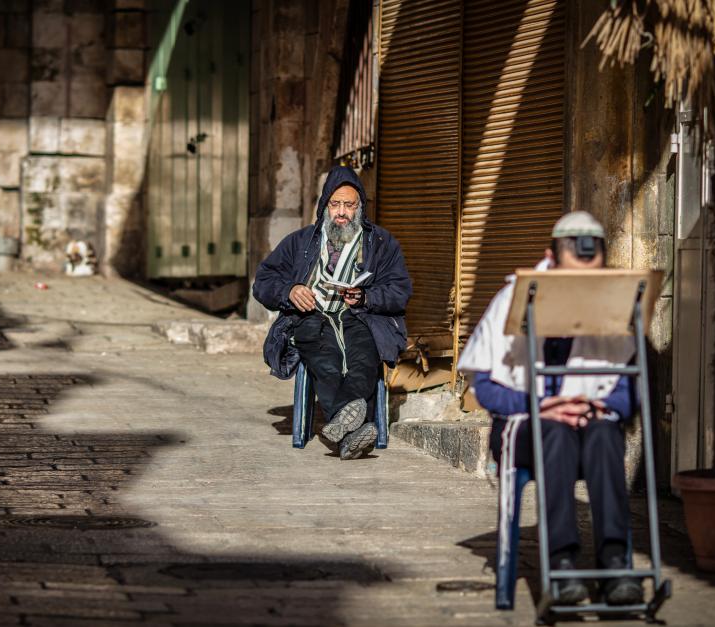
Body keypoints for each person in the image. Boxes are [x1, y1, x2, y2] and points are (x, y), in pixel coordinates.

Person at [457, 211, 643, 606]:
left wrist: (598, 408)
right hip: (527, 429)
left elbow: (628, 394)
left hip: (589, 428)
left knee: (606, 434)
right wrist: (541, 406)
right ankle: (562, 565)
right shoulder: (512, 298)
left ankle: (615, 563)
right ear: (551, 258)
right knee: (554, 432)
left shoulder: (611, 306)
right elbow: (485, 388)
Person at [253, 166, 412, 460]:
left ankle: (345, 429)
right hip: (312, 316)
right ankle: (353, 429)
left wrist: (366, 296)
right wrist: (289, 290)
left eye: (349, 205)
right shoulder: (300, 242)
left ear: (359, 207)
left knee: (363, 357)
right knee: (323, 358)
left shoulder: (381, 243)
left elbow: (399, 290)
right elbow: (263, 282)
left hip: (361, 316)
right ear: (325, 206)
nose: (341, 212)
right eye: (335, 204)